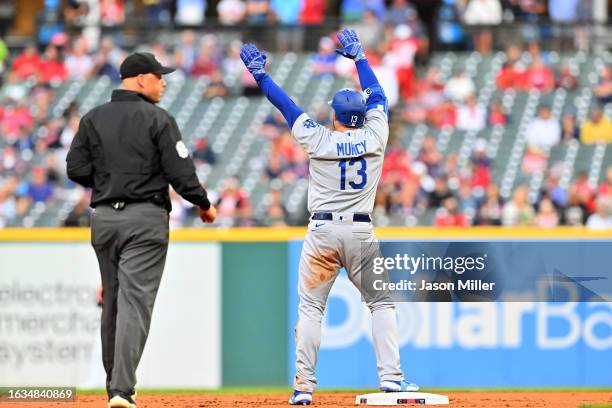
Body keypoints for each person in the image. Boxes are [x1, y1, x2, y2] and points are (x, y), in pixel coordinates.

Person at [240, 29, 419, 406]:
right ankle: (391, 379)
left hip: (322, 232)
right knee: (381, 303)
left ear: (335, 116)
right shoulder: (376, 135)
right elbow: (380, 97)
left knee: (311, 309)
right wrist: (360, 59)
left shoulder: (319, 138)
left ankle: (303, 388)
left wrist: (261, 76)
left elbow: (287, 106)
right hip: (360, 233)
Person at [66, 52, 216, 408]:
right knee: (134, 303)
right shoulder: (158, 119)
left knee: (113, 305)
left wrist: (106, 179)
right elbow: (181, 174)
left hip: (103, 219)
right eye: (159, 76)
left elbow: (75, 167)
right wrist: (204, 204)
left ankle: (113, 389)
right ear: (140, 79)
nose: (163, 82)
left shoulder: (92, 118)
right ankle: (121, 391)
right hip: (144, 219)